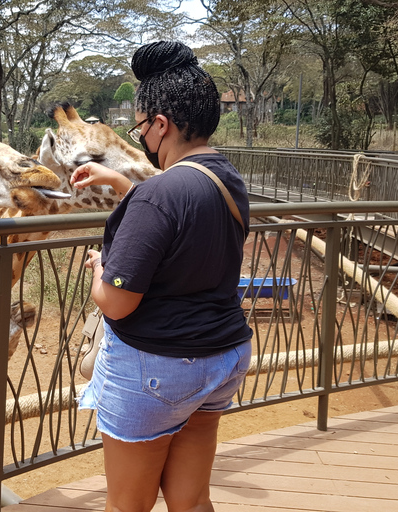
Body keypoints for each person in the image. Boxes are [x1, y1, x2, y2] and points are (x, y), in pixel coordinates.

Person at [71, 40, 253, 512]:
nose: (141, 139)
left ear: (161, 124)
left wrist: (99, 271)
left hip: (159, 368)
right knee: (191, 501)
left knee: (126, 506)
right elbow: (178, 213)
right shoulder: (224, 176)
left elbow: (116, 303)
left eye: (140, 129)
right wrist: (119, 183)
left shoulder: (159, 196)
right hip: (221, 356)